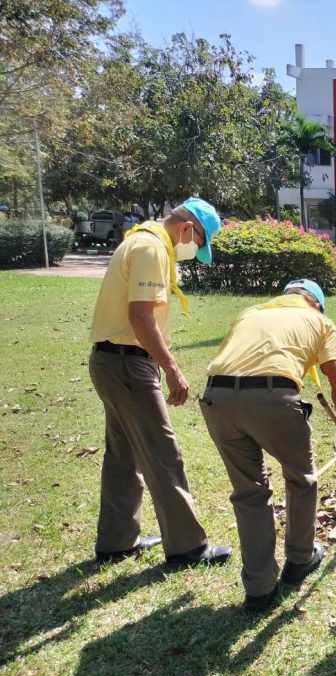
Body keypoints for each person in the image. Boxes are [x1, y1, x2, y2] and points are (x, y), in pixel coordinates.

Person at [88, 197, 232, 566]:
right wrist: (171, 368)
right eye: (198, 242)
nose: (193, 250)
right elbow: (141, 317)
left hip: (111, 362)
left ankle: (116, 541)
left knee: (123, 455)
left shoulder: (140, 239)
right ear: (187, 228)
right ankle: (188, 548)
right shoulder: (152, 247)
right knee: (163, 454)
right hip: (128, 364)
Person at [200, 279, 336, 611]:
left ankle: (259, 589)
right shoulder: (319, 320)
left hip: (217, 399)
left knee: (249, 492)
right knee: (301, 479)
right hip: (273, 398)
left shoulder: (250, 313)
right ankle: (300, 559)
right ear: (316, 304)